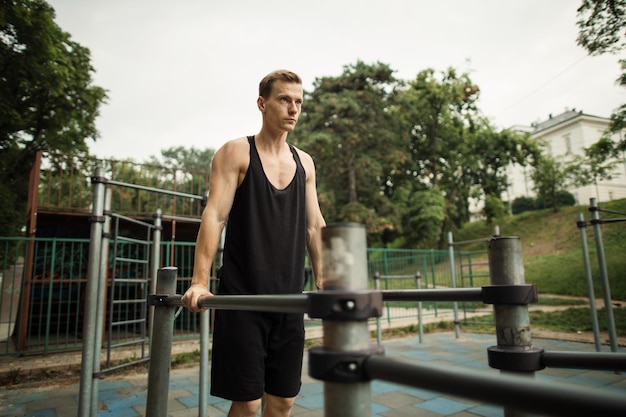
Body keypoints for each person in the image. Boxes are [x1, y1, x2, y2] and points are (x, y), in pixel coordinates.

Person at [181, 69, 325, 417]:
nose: (293, 109)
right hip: (242, 300)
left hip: (289, 301)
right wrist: (199, 282)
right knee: (247, 404)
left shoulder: (304, 162)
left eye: (298, 102)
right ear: (262, 104)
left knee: (283, 401)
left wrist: (326, 281)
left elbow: (314, 226)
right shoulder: (236, 153)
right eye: (284, 100)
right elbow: (214, 216)